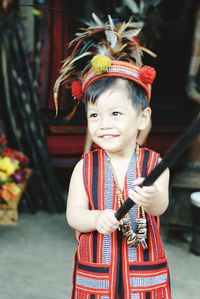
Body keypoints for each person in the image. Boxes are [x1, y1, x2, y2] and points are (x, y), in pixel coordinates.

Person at [54, 13, 171, 298]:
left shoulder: (155, 164)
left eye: (116, 114)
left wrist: (151, 196)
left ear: (142, 119)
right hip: (97, 274)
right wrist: (95, 220)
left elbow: (160, 207)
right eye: (95, 115)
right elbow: (74, 214)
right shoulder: (85, 167)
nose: (103, 124)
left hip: (143, 274)